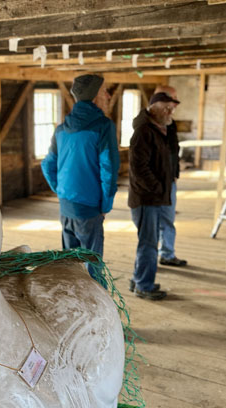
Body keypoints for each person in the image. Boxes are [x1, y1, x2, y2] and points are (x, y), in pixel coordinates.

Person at [41, 74, 119, 278]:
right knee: (93, 267)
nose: (108, 96)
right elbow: (108, 169)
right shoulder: (103, 126)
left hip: (66, 206)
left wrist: (60, 191)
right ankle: (96, 307)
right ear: (94, 97)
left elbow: (48, 164)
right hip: (89, 207)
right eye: (104, 91)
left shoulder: (61, 129)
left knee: (69, 266)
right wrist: (105, 205)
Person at [127, 91, 180, 300]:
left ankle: (137, 279)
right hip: (147, 199)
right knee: (149, 244)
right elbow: (139, 169)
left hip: (155, 197)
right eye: (166, 108)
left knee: (147, 242)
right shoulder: (143, 132)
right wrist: (158, 188)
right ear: (154, 107)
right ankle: (143, 285)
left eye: (172, 109)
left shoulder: (160, 129)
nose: (170, 112)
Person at [154, 85, 187, 267]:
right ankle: (148, 262)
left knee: (168, 218)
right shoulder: (147, 125)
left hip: (169, 181)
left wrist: (174, 174)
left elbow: (173, 151)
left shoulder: (170, 124)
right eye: (172, 100)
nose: (174, 105)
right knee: (150, 225)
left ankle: (167, 253)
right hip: (153, 184)